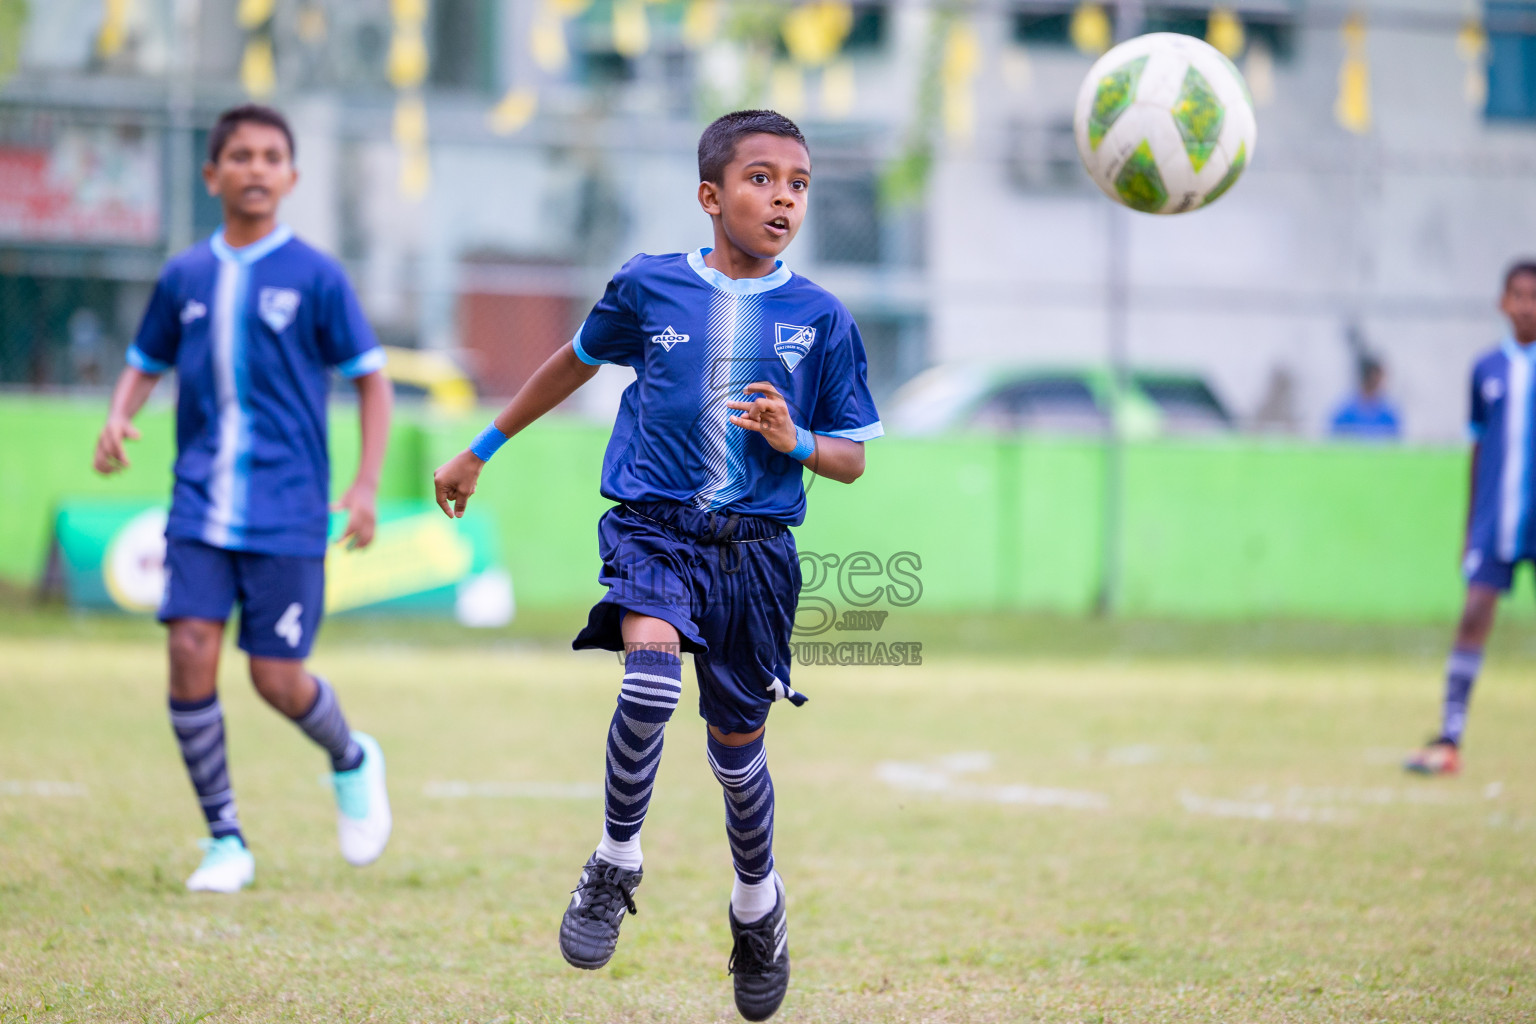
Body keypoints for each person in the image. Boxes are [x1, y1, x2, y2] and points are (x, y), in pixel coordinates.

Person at [432, 109, 881, 1021]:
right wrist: (481, 447)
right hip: (653, 529)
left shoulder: (821, 318)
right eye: (761, 179)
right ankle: (615, 861)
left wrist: (797, 440)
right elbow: (575, 362)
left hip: (756, 557)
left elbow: (853, 458)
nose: (783, 197)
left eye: (797, 183)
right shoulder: (649, 287)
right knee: (647, 686)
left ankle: (757, 906)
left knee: (735, 755)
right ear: (712, 196)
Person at [92, 104, 395, 892]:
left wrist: (363, 487)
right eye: (240, 156)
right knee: (189, 648)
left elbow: (371, 379)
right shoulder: (184, 275)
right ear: (212, 174)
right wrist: (121, 415)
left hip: (291, 508)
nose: (256, 168)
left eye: (271, 157)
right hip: (197, 503)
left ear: (291, 177)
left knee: (276, 678)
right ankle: (225, 838)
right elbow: (143, 357)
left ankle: (352, 756)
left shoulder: (318, 277)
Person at [1406, 261, 1536, 775]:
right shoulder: (1487, 369)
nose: (1526, 305)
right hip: (1496, 521)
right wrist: (1469, 527)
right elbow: (1479, 449)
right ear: (1501, 303)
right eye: (1518, 296)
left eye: (1534, 296)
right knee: (1474, 615)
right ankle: (1449, 739)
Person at [1328, 355, 1402, 440]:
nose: (1380, 381)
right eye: (1376, 377)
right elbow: (1335, 440)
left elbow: (1395, 441)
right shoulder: (1345, 412)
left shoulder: (1388, 412)